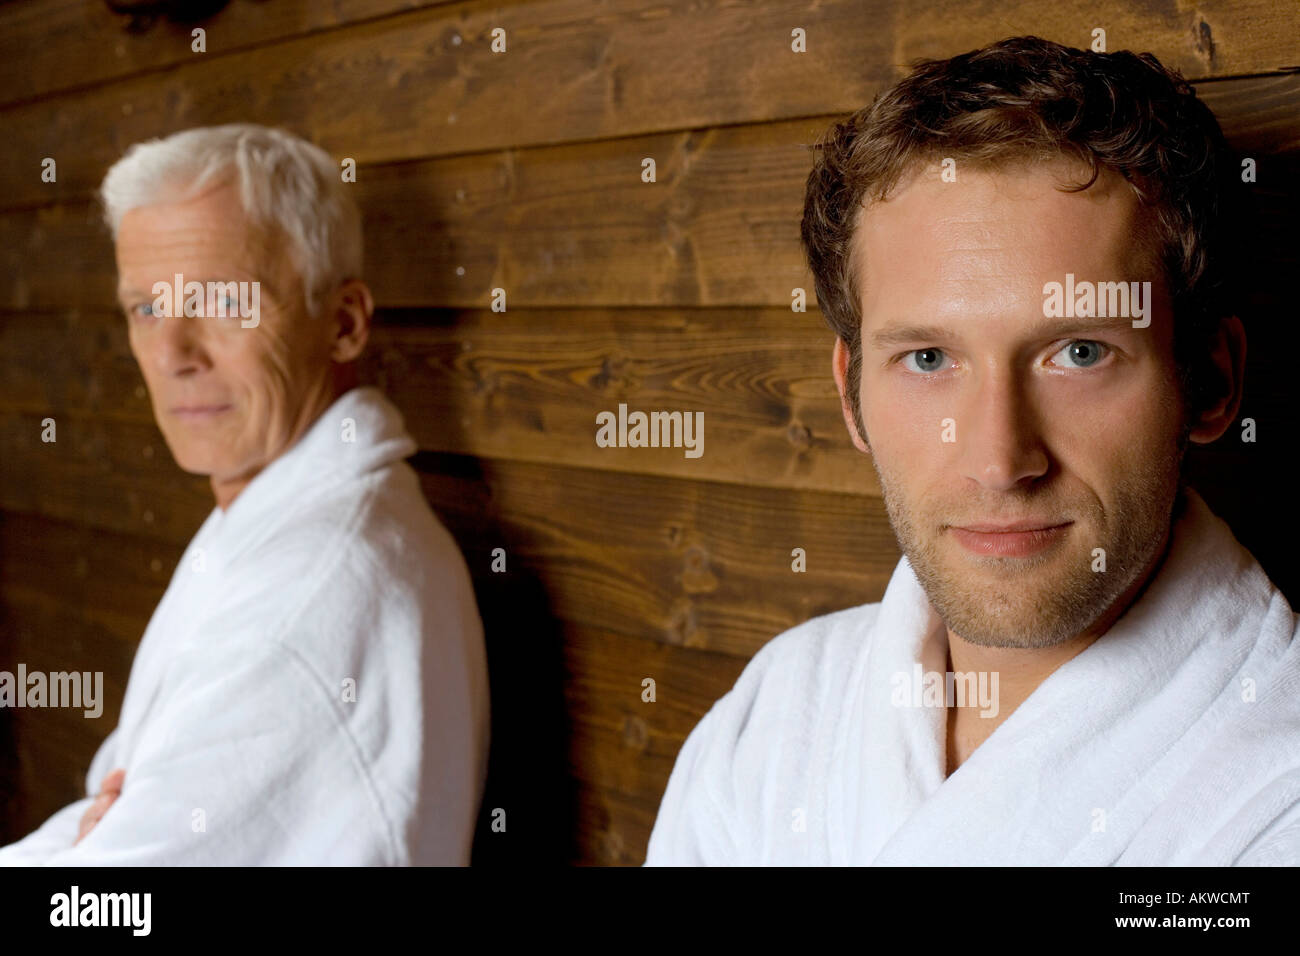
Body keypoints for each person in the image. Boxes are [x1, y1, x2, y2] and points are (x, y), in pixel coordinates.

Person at [645, 36, 1300, 865]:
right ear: (853, 396)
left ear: (1209, 380)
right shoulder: (781, 709)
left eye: (1080, 353)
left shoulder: (1276, 795)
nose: (998, 459)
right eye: (928, 359)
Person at [0, 124, 489, 865]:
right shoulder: (268, 517)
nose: (172, 355)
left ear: (344, 323)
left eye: (224, 302)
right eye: (146, 308)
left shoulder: (314, 587)